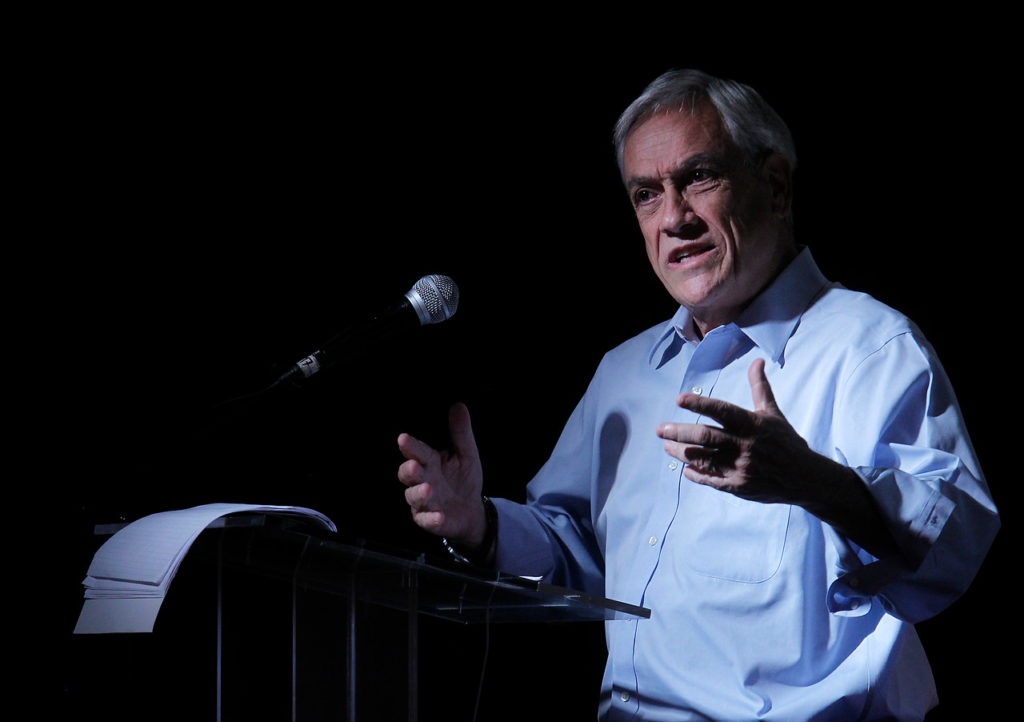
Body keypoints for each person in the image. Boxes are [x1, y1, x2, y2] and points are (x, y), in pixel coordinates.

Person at [396, 69, 1000, 720]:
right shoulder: (625, 371)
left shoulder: (870, 347)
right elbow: (581, 554)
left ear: (775, 185)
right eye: (646, 195)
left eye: (700, 177)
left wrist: (815, 483)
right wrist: (480, 526)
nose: (674, 218)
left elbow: (956, 552)